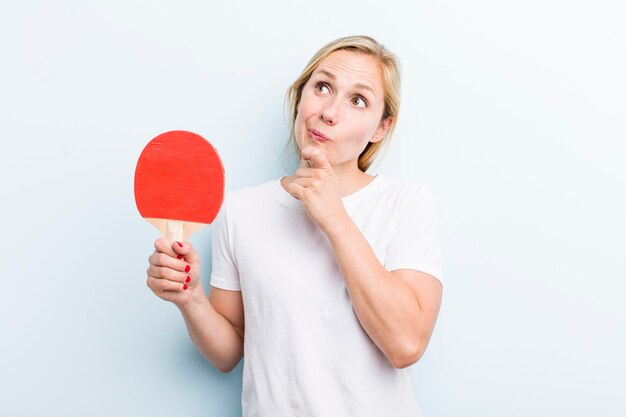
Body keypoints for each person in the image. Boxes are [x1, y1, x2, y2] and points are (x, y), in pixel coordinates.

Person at [146, 35, 443, 417]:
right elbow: (228, 353)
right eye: (322, 87)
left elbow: (405, 345)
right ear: (300, 98)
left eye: (358, 100)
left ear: (380, 128)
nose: (330, 112)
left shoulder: (406, 203)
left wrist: (334, 217)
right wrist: (190, 298)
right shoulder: (241, 210)